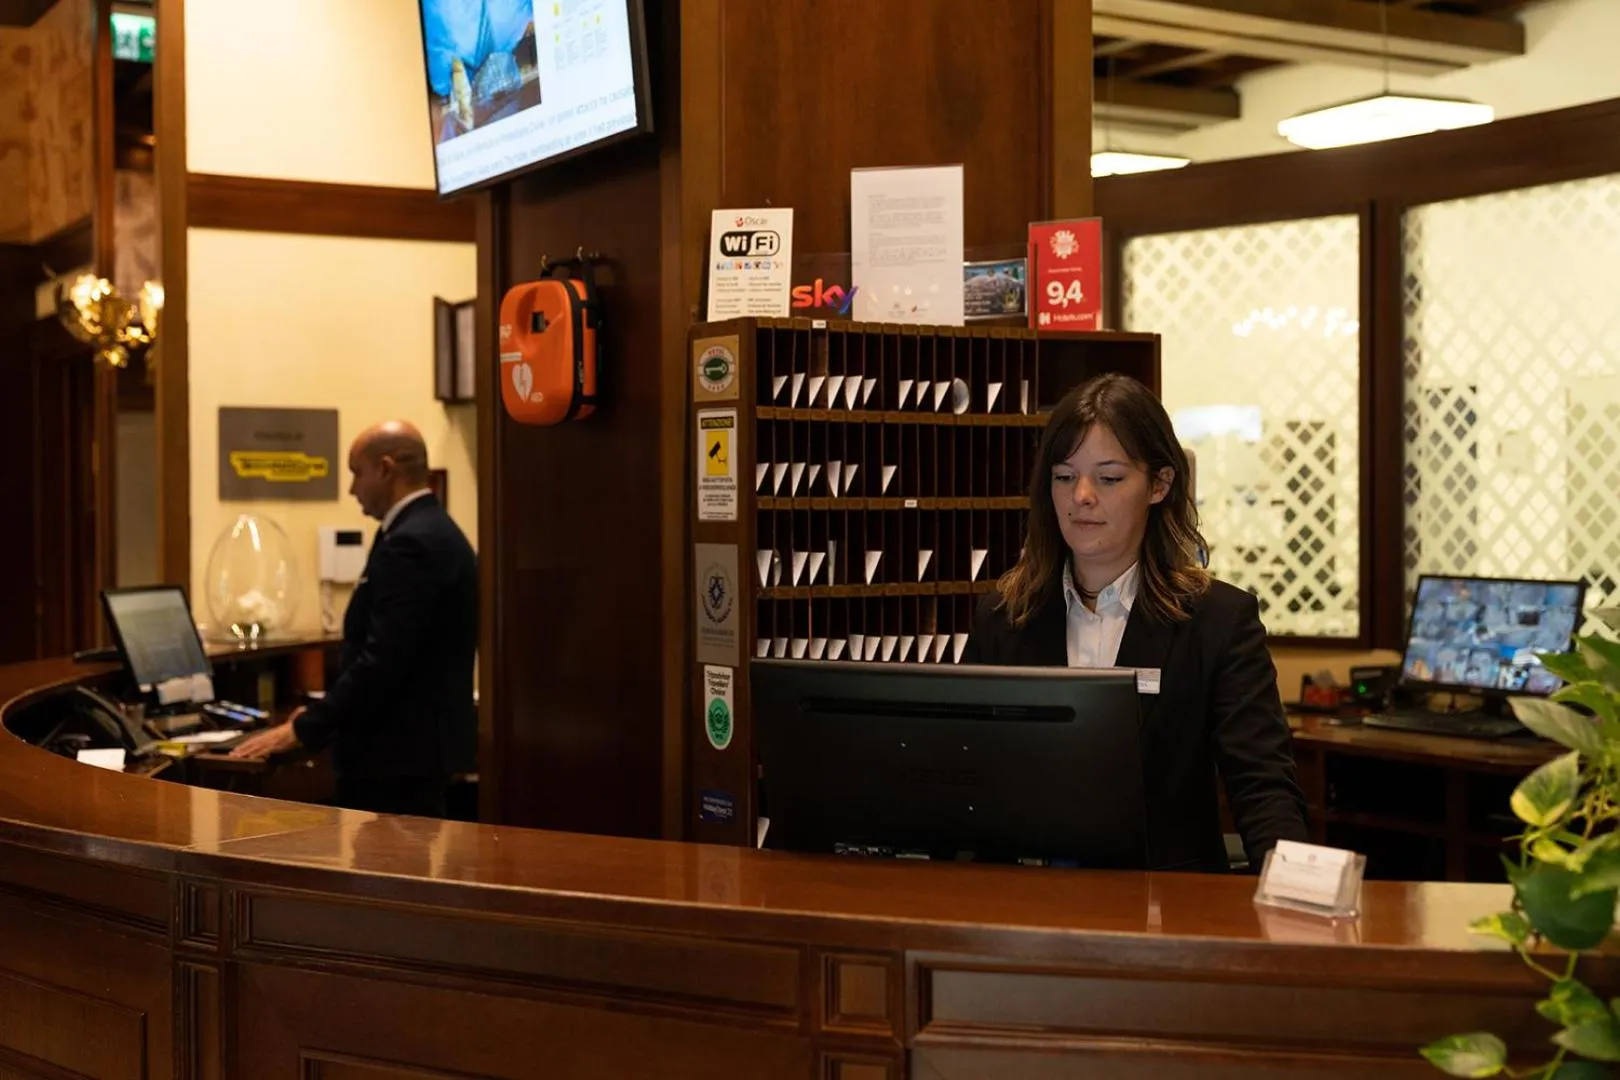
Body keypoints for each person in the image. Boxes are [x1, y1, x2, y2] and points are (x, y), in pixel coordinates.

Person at [963, 374, 1307, 872]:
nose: (1081, 495)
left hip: (1169, 914)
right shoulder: (1003, 615)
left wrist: (1295, 893)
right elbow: (972, 775)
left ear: (1159, 484)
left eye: (1109, 477)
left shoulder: (1217, 622)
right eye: (1063, 476)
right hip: (1027, 910)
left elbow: (1263, 786)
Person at [231, 421, 478, 818]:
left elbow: (383, 662)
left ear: (385, 468)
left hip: (398, 759)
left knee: (385, 876)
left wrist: (305, 728)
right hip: (415, 753)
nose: (351, 489)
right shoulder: (427, 530)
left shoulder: (413, 542)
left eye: (355, 472)